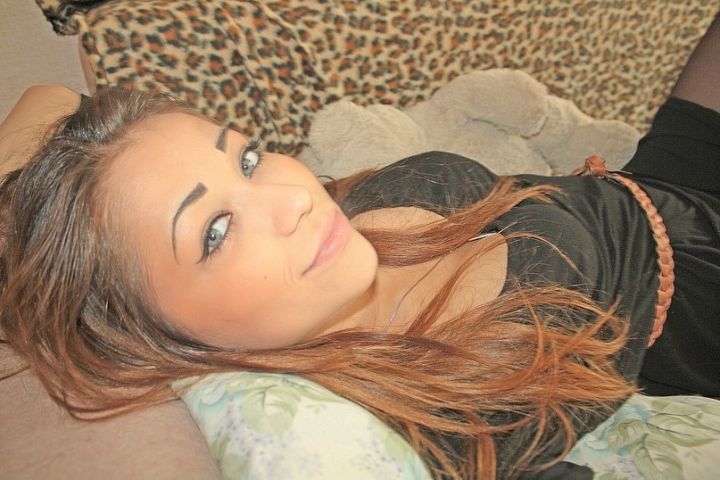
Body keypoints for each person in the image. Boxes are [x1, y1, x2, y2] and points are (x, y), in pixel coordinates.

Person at [1, 13, 719, 480]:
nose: (291, 195)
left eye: (246, 159)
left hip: (655, 177)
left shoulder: (318, 257)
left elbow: (47, 98)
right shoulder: (443, 425)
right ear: (152, 336)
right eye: (215, 231)